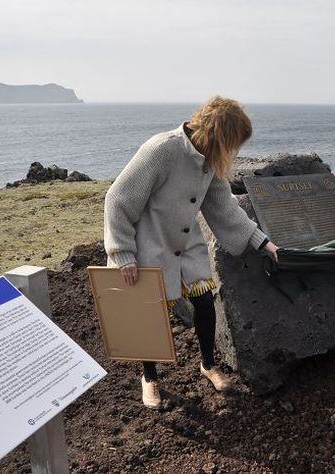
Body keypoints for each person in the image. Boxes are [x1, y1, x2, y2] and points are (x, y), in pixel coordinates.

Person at [104, 96, 278, 409]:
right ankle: (150, 378)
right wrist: (122, 253)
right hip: (150, 244)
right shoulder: (163, 149)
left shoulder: (209, 158)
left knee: (204, 301)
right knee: (149, 314)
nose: (235, 152)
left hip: (186, 246)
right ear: (220, 136)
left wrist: (262, 241)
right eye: (234, 143)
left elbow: (223, 205)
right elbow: (118, 198)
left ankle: (208, 365)